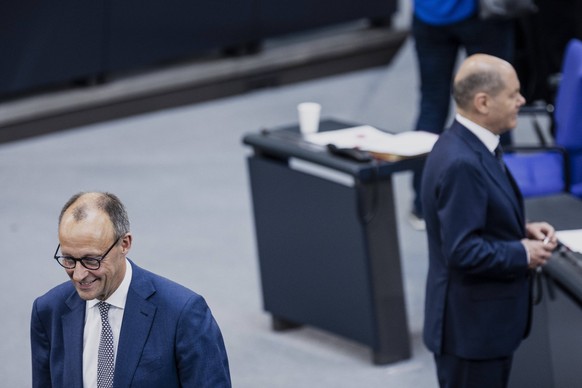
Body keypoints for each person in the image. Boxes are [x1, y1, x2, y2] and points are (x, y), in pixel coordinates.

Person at [421, 54, 557, 387]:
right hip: (471, 334)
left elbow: (472, 216)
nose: (521, 101)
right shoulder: (462, 164)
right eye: (513, 94)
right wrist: (522, 253)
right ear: (483, 102)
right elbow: (462, 250)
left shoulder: (469, 144)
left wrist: (518, 230)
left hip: (479, 327)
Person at [30, 192, 231, 387]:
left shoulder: (183, 313)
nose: (79, 274)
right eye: (69, 259)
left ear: (125, 244)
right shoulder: (48, 311)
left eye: (91, 260)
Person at [410, 0, 516, 229]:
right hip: (479, 16)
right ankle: (505, 201)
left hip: (428, 14)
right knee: (498, 103)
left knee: (431, 106)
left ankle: (422, 204)